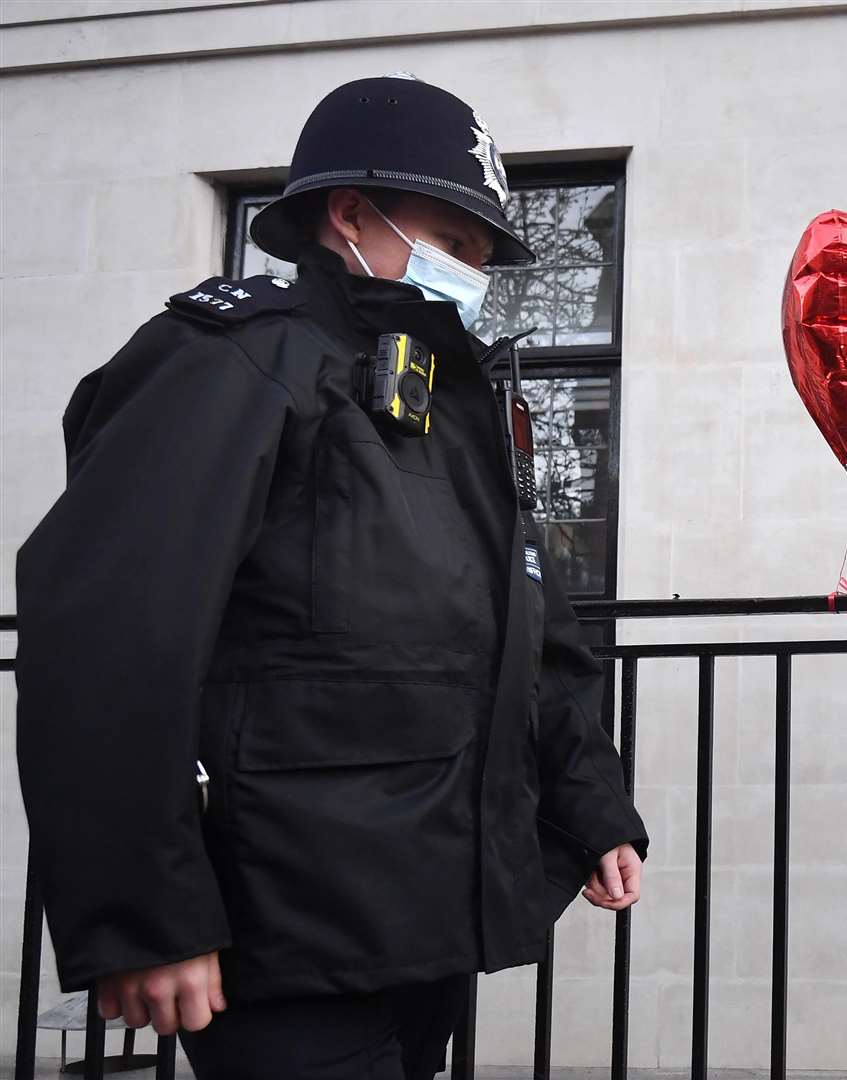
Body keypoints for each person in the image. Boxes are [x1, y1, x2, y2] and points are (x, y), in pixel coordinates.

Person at [14, 74, 647, 1080]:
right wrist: (143, 917)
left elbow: (534, 637)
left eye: (484, 251)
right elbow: (106, 628)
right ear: (349, 212)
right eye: (458, 239)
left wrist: (593, 806)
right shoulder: (236, 358)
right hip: (281, 924)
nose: (475, 270)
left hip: (422, 912)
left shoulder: (452, 402)